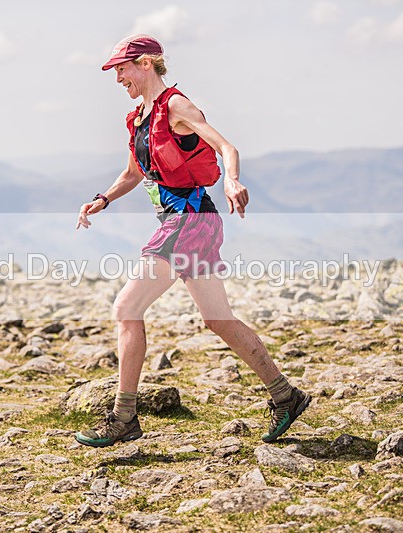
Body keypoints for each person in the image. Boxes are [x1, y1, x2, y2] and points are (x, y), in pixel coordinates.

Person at [73, 34, 310, 447]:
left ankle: (123, 417)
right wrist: (102, 199)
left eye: (121, 69)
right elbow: (133, 174)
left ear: (145, 64)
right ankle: (286, 395)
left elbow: (226, 147)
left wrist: (233, 180)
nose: (117, 79)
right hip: (189, 221)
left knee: (126, 307)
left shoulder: (176, 106)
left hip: (190, 219)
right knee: (218, 319)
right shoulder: (137, 120)